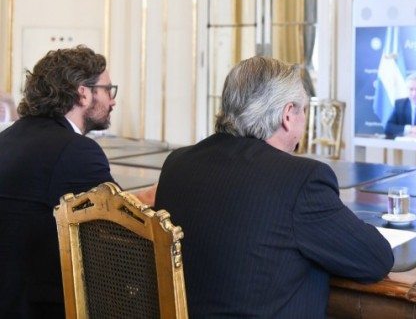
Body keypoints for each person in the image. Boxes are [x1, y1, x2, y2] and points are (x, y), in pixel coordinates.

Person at [155, 57, 394, 317]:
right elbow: (375, 260)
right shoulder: (302, 180)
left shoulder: (176, 164)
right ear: (288, 115)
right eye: (304, 109)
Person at [0, 45, 154, 318]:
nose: (113, 101)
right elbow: (122, 222)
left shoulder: (8, 138)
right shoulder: (75, 150)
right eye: (108, 90)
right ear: (83, 93)